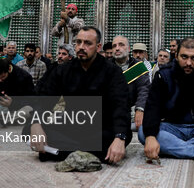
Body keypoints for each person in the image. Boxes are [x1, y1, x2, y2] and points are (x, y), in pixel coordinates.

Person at [30, 26, 131, 163]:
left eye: (88, 43)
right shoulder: (63, 70)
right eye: (78, 42)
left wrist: (119, 138)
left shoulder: (112, 72)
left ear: (98, 46)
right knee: (29, 129)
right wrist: (36, 124)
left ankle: (58, 152)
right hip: (72, 125)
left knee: (123, 134)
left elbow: (121, 106)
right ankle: (89, 153)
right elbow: (44, 99)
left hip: (100, 129)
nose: (81, 47)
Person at [112, 36, 150, 130]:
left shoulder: (139, 67)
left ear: (129, 49)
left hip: (132, 113)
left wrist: (140, 109)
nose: (117, 48)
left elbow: (144, 90)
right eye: (114, 46)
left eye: (121, 45)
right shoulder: (105, 67)